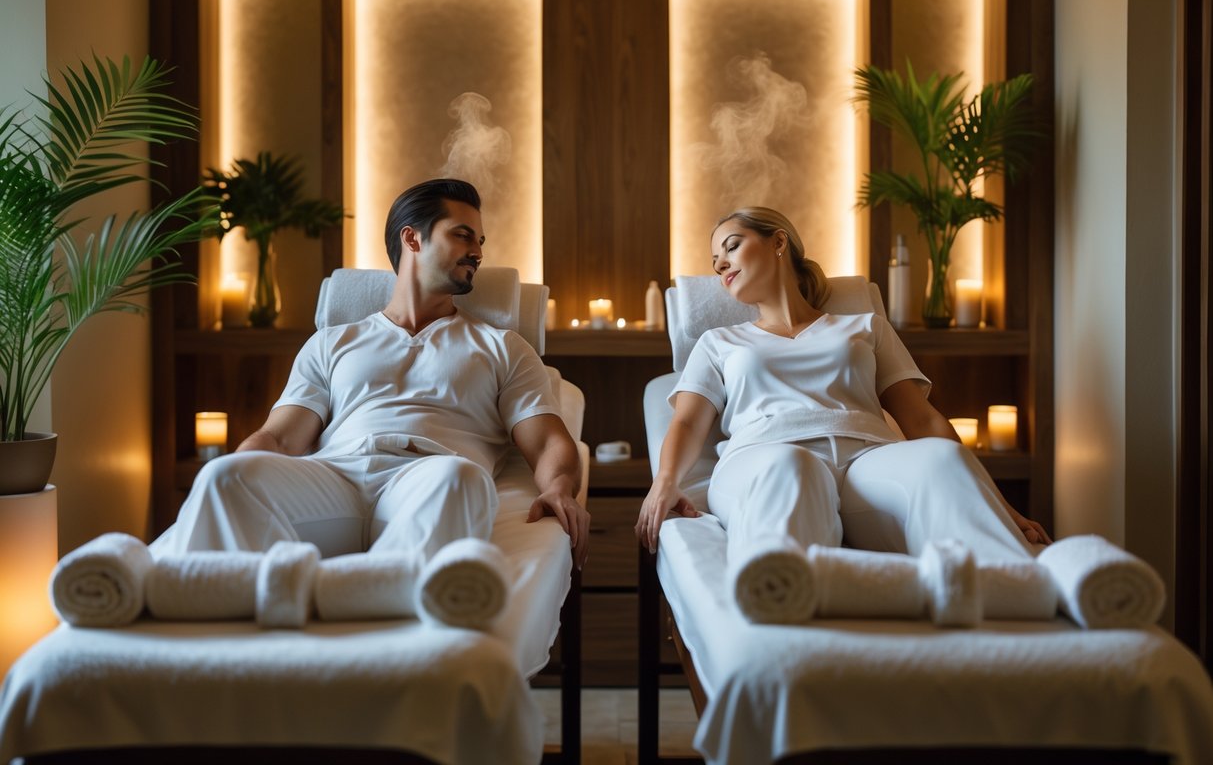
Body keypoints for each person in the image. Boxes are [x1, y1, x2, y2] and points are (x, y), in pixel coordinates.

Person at [155, 178, 589, 572]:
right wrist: (240, 472)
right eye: (462, 235)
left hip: (427, 481)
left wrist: (559, 487)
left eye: (480, 240)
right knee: (222, 475)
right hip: (334, 480)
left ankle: (344, 587)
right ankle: (293, 586)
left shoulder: (503, 347)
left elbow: (549, 440)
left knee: (462, 478)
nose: (478, 250)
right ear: (412, 238)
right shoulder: (332, 342)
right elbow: (278, 439)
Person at [635, 206, 1048, 578]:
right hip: (765, 457)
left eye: (732, 246)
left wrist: (1000, 508)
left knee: (941, 458)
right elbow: (687, 420)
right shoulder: (719, 342)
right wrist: (664, 483)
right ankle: (783, 597)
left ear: (778, 241)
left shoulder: (866, 327)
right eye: (714, 261)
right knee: (794, 467)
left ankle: (1016, 587)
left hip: (868, 462)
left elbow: (921, 419)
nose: (721, 263)